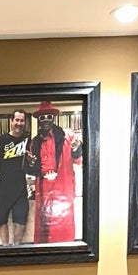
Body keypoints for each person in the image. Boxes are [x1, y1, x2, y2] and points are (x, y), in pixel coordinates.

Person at [0, 109, 35, 245]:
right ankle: (5, 248)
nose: (19, 123)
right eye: (16, 120)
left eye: (22, 120)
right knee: (1, 221)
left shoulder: (28, 140)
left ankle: (16, 248)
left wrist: (32, 162)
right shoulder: (2, 140)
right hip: (2, 188)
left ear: (25, 123)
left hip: (20, 189)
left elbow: (32, 160)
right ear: (11, 121)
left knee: (21, 223)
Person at [32, 103, 80, 243]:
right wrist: (30, 164)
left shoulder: (68, 136)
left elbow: (79, 160)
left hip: (63, 189)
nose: (46, 119)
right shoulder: (35, 142)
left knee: (63, 227)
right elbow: (32, 167)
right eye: (42, 117)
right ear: (39, 120)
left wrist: (77, 150)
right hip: (43, 190)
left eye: (49, 116)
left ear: (54, 118)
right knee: (44, 230)